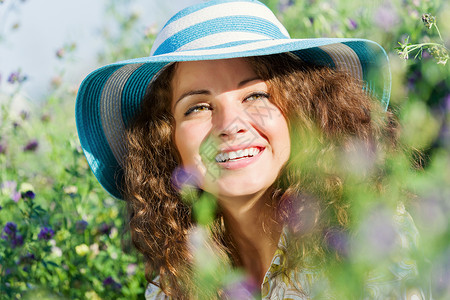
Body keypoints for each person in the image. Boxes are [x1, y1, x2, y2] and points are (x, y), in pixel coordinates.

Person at [75, 0, 424, 299]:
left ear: (299, 112)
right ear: (166, 139)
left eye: (255, 96)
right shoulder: (173, 285)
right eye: (197, 107)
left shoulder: (365, 238)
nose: (229, 124)